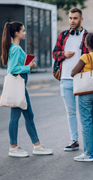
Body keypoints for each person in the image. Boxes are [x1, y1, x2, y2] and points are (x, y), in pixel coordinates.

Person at [1, 21, 53, 157]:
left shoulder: (14, 47)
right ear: (17, 33)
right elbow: (13, 70)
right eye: (23, 31)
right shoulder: (15, 48)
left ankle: (36, 145)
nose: (25, 33)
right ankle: (14, 147)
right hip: (18, 86)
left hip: (20, 86)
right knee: (16, 116)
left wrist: (28, 64)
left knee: (28, 116)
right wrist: (29, 67)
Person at [52, 8, 89, 151]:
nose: (72, 21)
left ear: (81, 19)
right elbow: (55, 53)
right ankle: (74, 140)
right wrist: (64, 54)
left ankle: (88, 143)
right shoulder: (63, 35)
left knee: (84, 112)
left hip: (81, 79)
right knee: (71, 111)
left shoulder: (86, 36)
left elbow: (90, 57)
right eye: (70, 18)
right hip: (65, 79)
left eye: (75, 18)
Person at [71, 33, 93, 161]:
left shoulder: (85, 57)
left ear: (86, 43)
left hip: (86, 92)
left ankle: (88, 153)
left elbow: (73, 72)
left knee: (86, 122)